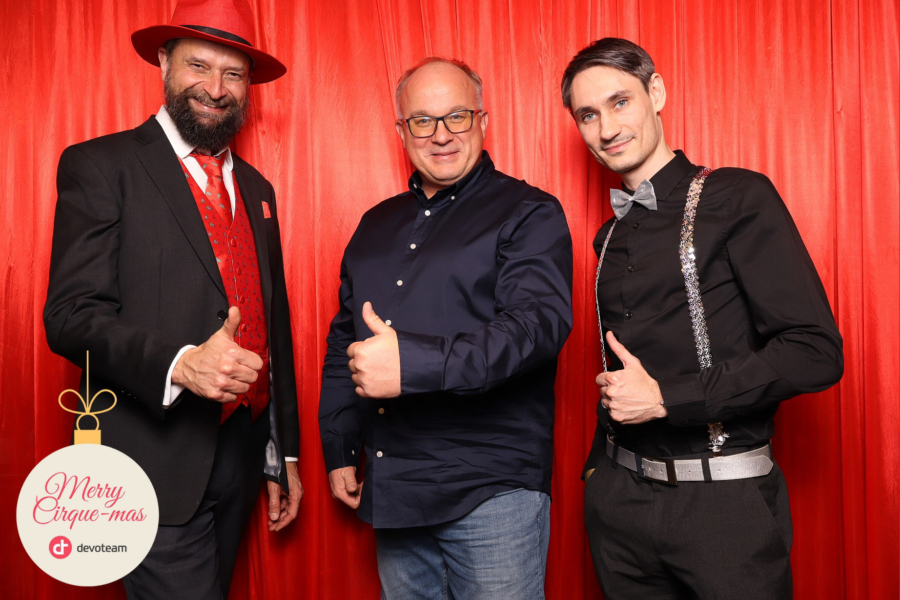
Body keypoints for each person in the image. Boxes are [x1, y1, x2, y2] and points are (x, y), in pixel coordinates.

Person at [561, 38, 843, 599]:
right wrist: (598, 475)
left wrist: (669, 399)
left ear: (656, 92)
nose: (606, 128)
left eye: (620, 102)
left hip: (722, 509)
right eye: (587, 115)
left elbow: (814, 351)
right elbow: (621, 371)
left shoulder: (737, 196)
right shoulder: (608, 237)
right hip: (619, 507)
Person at [43, 1, 302, 598]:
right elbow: (70, 317)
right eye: (198, 66)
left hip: (241, 457)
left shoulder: (258, 189)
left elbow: (273, 325)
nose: (215, 88)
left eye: (233, 73)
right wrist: (181, 364)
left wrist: (280, 453)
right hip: (151, 463)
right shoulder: (100, 166)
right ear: (164, 62)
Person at [318, 57, 573, 599]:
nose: (441, 135)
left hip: (491, 490)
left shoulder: (530, 212)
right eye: (422, 121)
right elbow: (345, 341)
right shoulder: (374, 224)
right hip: (395, 487)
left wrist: (412, 364)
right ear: (401, 130)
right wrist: (339, 445)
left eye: (457, 116)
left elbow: (537, 328)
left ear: (483, 121)